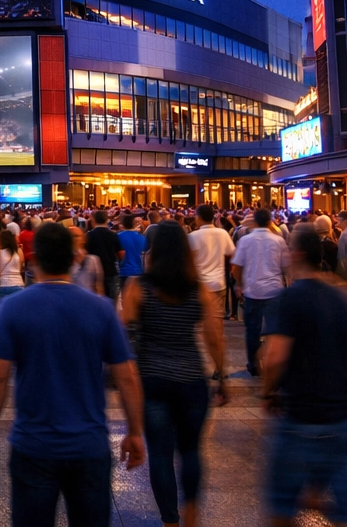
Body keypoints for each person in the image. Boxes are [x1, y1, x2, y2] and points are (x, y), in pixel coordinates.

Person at [0, 223, 144, 527]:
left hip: (33, 445)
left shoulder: (13, 308)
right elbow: (126, 376)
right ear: (74, 258)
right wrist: (134, 431)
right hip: (89, 445)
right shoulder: (102, 309)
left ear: (33, 259)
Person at [259, 224, 347, 527]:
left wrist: (268, 392)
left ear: (297, 253)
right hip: (344, 416)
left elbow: (276, 355)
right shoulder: (344, 298)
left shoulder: (291, 297)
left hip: (301, 417)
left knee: (281, 506)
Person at [121, 221, 219, 527]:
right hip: (192, 379)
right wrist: (223, 375)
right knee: (191, 450)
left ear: (154, 251)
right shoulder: (198, 289)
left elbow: (124, 332)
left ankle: (170, 521)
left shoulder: (137, 287)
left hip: (153, 381)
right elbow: (214, 336)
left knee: (161, 455)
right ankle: (191, 511)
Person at [229, 208, 286, 377]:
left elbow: (236, 267)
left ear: (254, 221)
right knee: (274, 329)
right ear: (269, 221)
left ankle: (253, 364)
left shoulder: (245, 240)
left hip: (252, 290)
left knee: (252, 330)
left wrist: (238, 284)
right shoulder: (278, 240)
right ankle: (272, 362)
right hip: (274, 290)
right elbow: (286, 266)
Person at [186, 203, 234, 384]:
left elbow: (188, 261)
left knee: (193, 325)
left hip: (198, 286)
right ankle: (219, 368)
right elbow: (231, 254)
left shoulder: (193, 236)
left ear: (199, 217)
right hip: (218, 284)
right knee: (217, 326)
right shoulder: (222, 234)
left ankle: (193, 364)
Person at [86, 210, 122, 301]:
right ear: (106, 220)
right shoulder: (113, 235)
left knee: (95, 301)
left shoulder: (89, 235)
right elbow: (121, 253)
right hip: (110, 271)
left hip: (93, 273)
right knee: (111, 302)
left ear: (94, 220)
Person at [69, 225, 104, 295]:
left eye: (75, 236)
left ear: (83, 239)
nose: (72, 239)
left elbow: (98, 286)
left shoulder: (93, 260)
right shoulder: (62, 262)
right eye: (69, 236)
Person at [0, 227, 26, 303]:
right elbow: (20, 267)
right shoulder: (18, 251)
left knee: (3, 311)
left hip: (3, 284)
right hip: (18, 284)